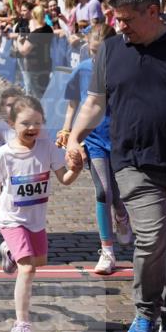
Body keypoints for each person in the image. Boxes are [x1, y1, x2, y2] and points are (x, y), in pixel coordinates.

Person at [66, 0, 166, 332]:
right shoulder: (112, 49)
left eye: (127, 19)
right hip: (133, 161)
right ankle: (146, 311)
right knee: (152, 236)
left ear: (153, 11)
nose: (120, 26)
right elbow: (94, 103)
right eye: (116, 18)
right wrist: (73, 137)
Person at [0, 95, 81, 332]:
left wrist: (76, 168)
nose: (32, 128)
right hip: (11, 218)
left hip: (36, 219)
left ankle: (10, 252)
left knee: (39, 261)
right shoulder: (4, 154)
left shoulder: (48, 149)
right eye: (25, 123)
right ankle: (21, 327)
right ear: (11, 123)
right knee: (28, 269)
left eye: (37, 122)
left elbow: (65, 179)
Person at [57, 24, 132, 275]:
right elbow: (73, 104)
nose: (96, 57)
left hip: (122, 137)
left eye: (101, 52)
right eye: (92, 51)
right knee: (103, 192)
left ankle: (121, 214)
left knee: (120, 193)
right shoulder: (82, 69)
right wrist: (68, 132)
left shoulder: (125, 67)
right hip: (95, 139)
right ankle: (107, 251)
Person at [15, 4, 54, 98]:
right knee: (43, 93)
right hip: (46, 64)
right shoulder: (48, 29)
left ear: (34, 16)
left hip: (35, 67)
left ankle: (41, 111)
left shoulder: (36, 34)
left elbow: (24, 51)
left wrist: (18, 42)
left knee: (37, 96)